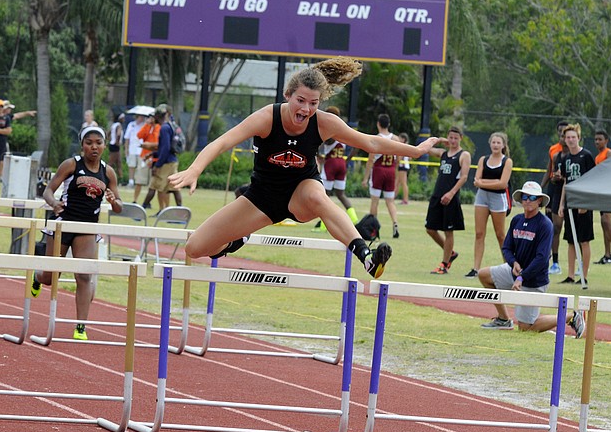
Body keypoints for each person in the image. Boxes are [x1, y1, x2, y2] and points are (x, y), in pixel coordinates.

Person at [168, 57, 438, 279]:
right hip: (261, 197)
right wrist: (195, 169)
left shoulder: (324, 122)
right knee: (195, 248)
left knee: (317, 195)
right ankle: (238, 239)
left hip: (301, 193)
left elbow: (370, 142)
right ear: (287, 95)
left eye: (313, 103)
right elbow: (222, 142)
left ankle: (367, 257)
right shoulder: (266, 118)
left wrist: (414, 151)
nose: (306, 109)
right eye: (300, 101)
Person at [30, 126, 122, 341]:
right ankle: (37, 276)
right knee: (51, 277)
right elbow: (48, 190)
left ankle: (81, 326)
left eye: (98, 143)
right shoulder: (71, 164)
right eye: (89, 143)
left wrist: (113, 201)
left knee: (84, 276)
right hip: (64, 224)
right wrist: (54, 203)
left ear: (104, 146)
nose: (94, 147)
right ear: (82, 145)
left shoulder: (108, 172)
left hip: (88, 228)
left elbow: (119, 206)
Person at [477, 181, 586, 338]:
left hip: (533, 280)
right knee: (484, 275)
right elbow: (506, 248)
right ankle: (503, 319)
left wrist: (522, 277)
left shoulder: (545, 224)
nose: (528, 200)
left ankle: (572, 316)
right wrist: (513, 263)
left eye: (533, 197)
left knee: (525, 327)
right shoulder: (517, 220)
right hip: (515, 271)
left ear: (539, 200)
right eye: (525, 197)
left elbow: (542, 259)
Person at [425, 126, 470, 274]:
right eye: (450, 137)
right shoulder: (443, 153)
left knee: (448, 231)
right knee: (430, 229)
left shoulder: (464, 155)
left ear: (461, 138)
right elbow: (426, 149)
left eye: (456, 138)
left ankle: (444, 265)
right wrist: (439, 140)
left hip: (450, 198)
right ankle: (451, 252)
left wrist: (451, 193)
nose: (453, 140)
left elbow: (464, 177)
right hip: (437, 195)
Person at [468, 132, 513, 279]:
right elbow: (476, 180)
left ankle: (508, 267)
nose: (495, 145)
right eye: (493, 142)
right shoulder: (483, 159)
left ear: (503, 145)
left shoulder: (507, 161)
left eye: (498, 143)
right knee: (479, 233)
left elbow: (503, 184)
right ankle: (476, 268)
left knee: (500, 235)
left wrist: (483, 183)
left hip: (498, 198)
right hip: (482, 197)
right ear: (490, 143)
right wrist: (488, 183)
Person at [558, 124, 596, 285]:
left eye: (573, 137)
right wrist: (561, 204)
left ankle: (584, 275)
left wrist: (585, 203)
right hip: (571, 203)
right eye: (568, 137)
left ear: (579, 138)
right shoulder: (565, 158)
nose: (571, 140)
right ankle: (570, 275)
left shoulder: (586, 156)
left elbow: (592, 179)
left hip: (583, 203)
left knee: (584, 240)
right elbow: (566, 182)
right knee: (571, 240)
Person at [314, 105, 358, 232]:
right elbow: (356, 147)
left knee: (325, 196)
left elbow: (318, 143)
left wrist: (318, 155)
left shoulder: (329, 131)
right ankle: (354, 219)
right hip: (341, 163)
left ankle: (323, 226)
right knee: (341, 194)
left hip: (331, 164)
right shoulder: (344, 130)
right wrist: (347, 160)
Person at [362, 114, 402, 238]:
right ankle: (395, 223)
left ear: (378, 124)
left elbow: (371, 160)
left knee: (375, 201)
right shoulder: (396, 139)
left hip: (379, 170)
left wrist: (365, 178)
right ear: (389, 124)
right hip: (390, 170)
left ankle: (373, 228)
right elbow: (398, 159)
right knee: (390, 201)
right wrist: (394, 172)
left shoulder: (377, 138)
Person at [541, 120, 568, 276]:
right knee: (552, 226)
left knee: (568, 227)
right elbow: (549, 170)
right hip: (554, 189)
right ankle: (553, 261)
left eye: (565, 132)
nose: (562, 135)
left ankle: (579, 264)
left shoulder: (574, 151)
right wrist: (540, 188)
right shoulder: (554, 150)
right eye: (560, 132)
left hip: (567, 189)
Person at [142, 104, 181, 211]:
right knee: (174, 188)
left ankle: (141, 210)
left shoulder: (164, 128)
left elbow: (165, 148)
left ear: (158, 116)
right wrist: (153, 154)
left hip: (165, 163)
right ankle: (181, 212)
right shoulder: (172, 126)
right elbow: (166, 147)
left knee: (153, 186)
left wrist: (157, 165)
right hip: (173, 161)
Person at [594, 129, 611, 264]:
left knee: (606, 220)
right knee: (603, 223)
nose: (597, 142)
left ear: (606, 141)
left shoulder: (609, 153)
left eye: (600, 139)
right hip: (601, 192)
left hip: (609, 191)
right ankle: (607, 254)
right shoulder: (597, 157)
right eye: (596, 139)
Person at [135, 112, 160, 205]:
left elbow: (157, 141)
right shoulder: (147, 126)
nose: (150, 119)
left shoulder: (158, 127)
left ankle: (148, 202)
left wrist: (148, 144)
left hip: (154, 156)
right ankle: (135, 200)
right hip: (144, 155)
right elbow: (139, 135)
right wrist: (146, 125)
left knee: (152, 183)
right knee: (139, 180)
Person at [124, 113, 145, 190]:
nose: (142, 118)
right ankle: (131, 181)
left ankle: (139, 182)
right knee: (131, 165)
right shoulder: (131, 125)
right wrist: (126, 149)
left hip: (141, 149)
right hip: (132, 148)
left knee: (140, 166)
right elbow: (127, 138)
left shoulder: (144, 125)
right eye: (140, 116)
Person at [396, 132, 411, 205]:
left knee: (403, 183)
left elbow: (399, 158)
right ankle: (392, 197)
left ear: (403, 139)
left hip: (403, 166)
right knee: (397, 182)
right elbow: (410, 158)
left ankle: (405, 199)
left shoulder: (403, 147)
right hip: (404, 166)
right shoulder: (407, 146)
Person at [108, 112, 124, 181]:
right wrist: (117, 142)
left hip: (112, 144)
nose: (124, 120)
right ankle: (104, 175)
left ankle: (120, 178)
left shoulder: (113, 125)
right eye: (123, 118)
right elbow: (118, 134)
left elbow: (108, 133)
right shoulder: (119, 125)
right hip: (115, 145)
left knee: (118, 162)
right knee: (111, 163)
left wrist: (110, 140)